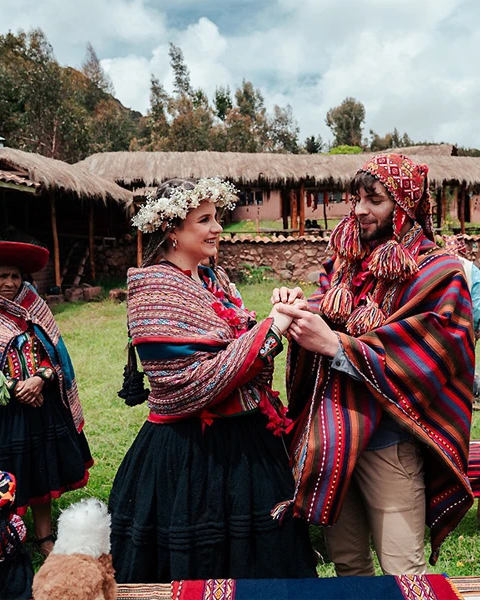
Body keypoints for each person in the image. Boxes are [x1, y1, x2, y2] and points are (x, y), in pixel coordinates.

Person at [272, 154, 476, 575]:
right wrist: (301, 308)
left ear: (404, 205)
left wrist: (335, 345)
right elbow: (330, 310)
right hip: (335, 439)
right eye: (357, 198)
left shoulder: (440, 273)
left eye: (375, 200)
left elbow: (434, 356)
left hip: (389, 443)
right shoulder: (346, 262)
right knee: (348, 565)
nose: (360, 209)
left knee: (404, 571)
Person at [109, 178, 316, 583]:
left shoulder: (213, 281)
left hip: (245, 444)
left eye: (217, 218)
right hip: (187, 453)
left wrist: (277, 319)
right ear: (171, 230)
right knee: (200, 560)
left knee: (259, 561)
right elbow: (190, 380)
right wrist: (271, 329)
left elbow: (239, 355)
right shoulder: (154, 288)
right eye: (204, 219)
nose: (218, 228)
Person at [0, 240, 91, 556]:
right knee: (1, 474)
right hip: (1, 415)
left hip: (42, 404)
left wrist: (40, 379)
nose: (10, 283)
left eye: (16, 276)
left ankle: (44, 536)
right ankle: (1, 535)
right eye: (2, 277)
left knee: (42, 470)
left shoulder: (33, 304)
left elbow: (53, 353)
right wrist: (11, 387)